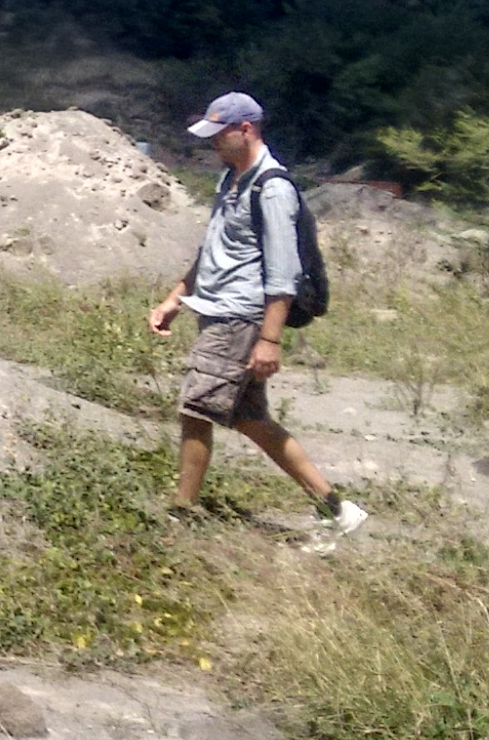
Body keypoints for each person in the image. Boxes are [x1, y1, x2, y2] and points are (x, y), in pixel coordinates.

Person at [146, 91, 367, 541]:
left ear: (245, 129)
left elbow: (283, 273)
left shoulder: (274, 189)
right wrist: (176, 298)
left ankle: (180, 516)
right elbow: (213, 250)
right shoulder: (229, 182)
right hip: (217, 312)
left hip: (239, 320)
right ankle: (337, 510)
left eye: (219, 135)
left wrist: (270, 340)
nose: (212, 144)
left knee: (195, 410)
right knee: (250, 420)